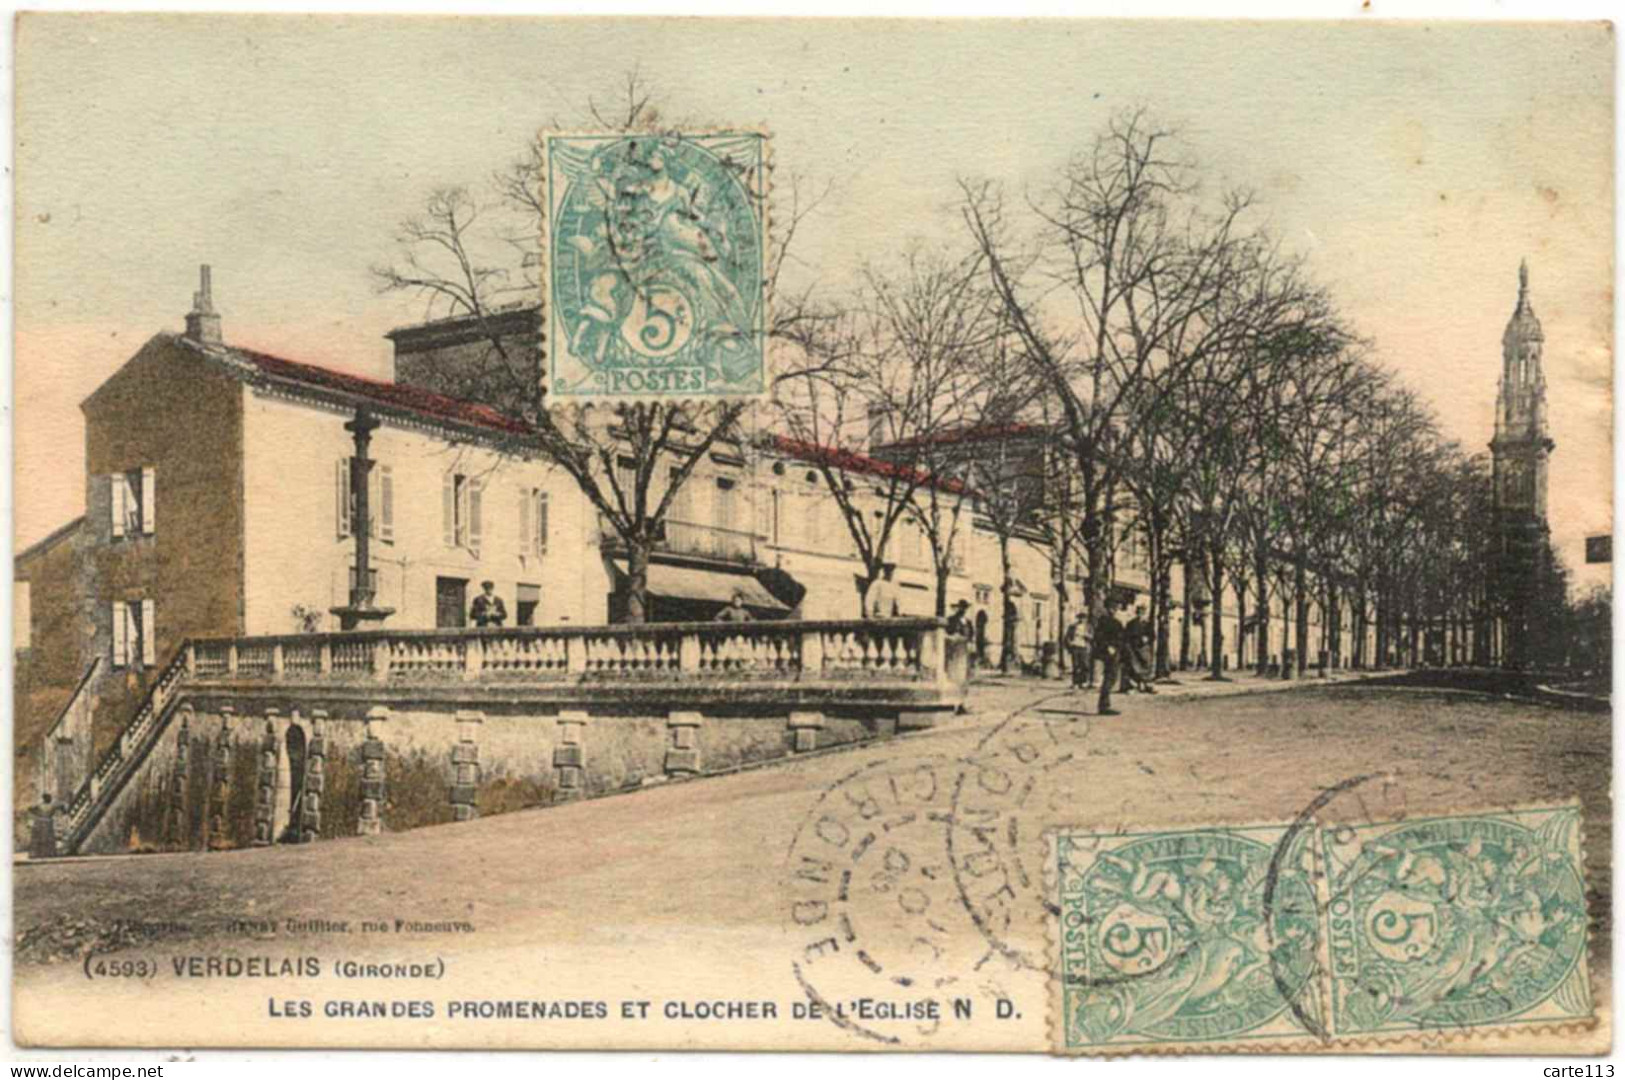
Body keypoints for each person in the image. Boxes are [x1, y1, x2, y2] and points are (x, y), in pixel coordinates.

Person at [1095, 602, 1125, 716]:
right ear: (1108, 608)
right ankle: (1104, 706)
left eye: (1116, 607)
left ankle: (1105, 704)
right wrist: (1108, 647)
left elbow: (1121, 636)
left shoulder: (1116, 621)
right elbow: (1099, 636)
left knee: (1112, 678)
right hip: (1109, 652)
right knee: (1110, 677)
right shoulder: (1103, 621)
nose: (1115, 610)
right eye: (1113, 607)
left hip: (1115, 651)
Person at [1123, 604, 1157, 694]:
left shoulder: (1148, 624)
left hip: (1144, 648)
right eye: (1139, 612)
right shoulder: (1131, 623)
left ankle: (1148, 686)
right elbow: (1126, 636)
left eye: (1143, 612)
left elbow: (1153, 636)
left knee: (1146, 666)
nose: (1141, 614)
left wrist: (1147, 638)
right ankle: (1133, 687)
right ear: (1136, 613)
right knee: (1134, 667)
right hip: (1134, 648)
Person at [1064, 610, 1092, 690]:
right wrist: (1070, 644)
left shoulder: (1088, 627)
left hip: (1084, 647)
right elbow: (1067, 637)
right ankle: (1075, 682)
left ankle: (1083, 682)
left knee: (1084, 665)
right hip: (1075, 646)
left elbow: (1092, 637)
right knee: (1076, 665)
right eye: (1080, 618)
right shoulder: (1072, 626)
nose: (1082, 620)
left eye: (1084, 618)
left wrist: (1086, 635)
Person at [28, 793, 58, 859]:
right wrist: (37, 814)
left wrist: (37, 814)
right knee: (41, 839)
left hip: (45, 823)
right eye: (49, 798)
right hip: (41, 823)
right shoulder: (40, 805)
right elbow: (30, 809)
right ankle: (39, 854)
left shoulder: (51, 806)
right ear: (45, 799)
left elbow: (30, 809)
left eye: (50, 798)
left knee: (47, 839)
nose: (50, 799)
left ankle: (48, 854)